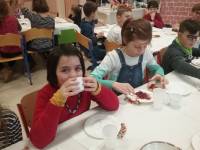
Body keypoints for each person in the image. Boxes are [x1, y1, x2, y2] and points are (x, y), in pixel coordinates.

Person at [29, 44, 119, 148]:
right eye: (64, 70)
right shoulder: (45, 94)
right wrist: (58, 99)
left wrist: (98, 89)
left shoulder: (85, 85)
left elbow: (114, 105)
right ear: (54, 73)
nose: (73, 75)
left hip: (84, 137)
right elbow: (38, 141)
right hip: (60, 142)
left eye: (78, 69)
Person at [91, 18, 167, 95]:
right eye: (137, 47)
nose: (142, 51)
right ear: (126, 40)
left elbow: (157, 68)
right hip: (117, 99)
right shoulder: (113, 57)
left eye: (145, 45)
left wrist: (159, 74)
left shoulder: (146, 53)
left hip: (137, 95)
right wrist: (113, 84)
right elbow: (92, 79)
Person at [0, 0, 22, 82]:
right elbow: (20, 29)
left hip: (4, 53)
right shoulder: (13, 18)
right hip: (17, 51)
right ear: (6, 8)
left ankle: (4, 69)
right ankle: (10, 66)